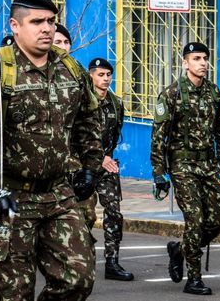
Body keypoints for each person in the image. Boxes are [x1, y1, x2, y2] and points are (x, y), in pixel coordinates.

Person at [0, 0, 102, 301]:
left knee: (77, 280)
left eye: (51, 21)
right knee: (15, 292)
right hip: (10, 196)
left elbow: (89, 119)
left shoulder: (70, 69)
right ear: (15, 25)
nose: (47, 28)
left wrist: (91, 168)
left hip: (58, 194)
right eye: (37, 22)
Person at [151, 42, 220, 296]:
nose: (203, 63)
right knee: (195, 220)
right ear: (185, 63)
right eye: (197, 58)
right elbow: (159, 136)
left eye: (205, 58)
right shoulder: (172, 94)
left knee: (217, 220)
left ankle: (179, 249)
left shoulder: (213, 92)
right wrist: (159, 173)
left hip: (208, 165)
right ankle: (194, 279)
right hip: (182, 166)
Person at [88, 57, 133, 281]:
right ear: (91, 76)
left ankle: (112, 262)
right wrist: (99, 157)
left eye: (108, 75)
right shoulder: (82, 101)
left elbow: (114, 135)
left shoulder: (116, 104)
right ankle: (80, 260)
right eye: (101, 75)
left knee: (114, 212)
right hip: (84, 167)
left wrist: (107, 157)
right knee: (83, 216)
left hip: (106, 167)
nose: (105, 79)